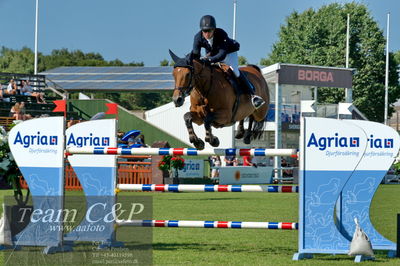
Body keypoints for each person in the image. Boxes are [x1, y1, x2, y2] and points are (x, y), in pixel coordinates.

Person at [192, 15, 265, 109]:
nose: (207, 34)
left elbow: (222, 54)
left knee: (235, 71)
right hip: (213, 54)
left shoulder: (221, 34)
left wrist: (209, 60)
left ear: (214, 29)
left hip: (228, 53)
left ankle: (253, 95)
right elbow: (195, 55)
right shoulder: (197, 37)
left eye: (209, 30)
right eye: (204, 31)